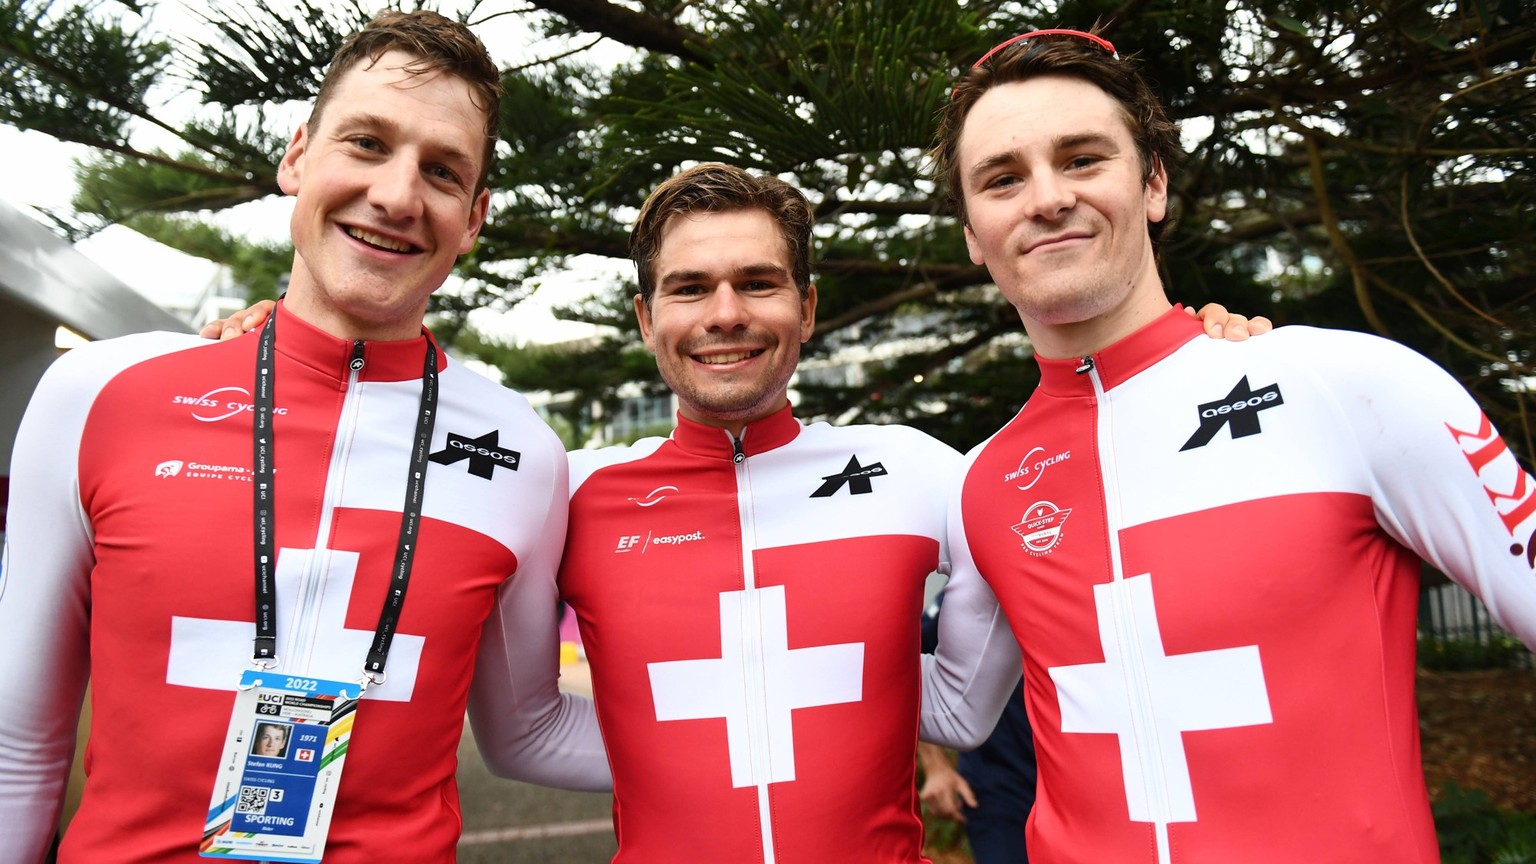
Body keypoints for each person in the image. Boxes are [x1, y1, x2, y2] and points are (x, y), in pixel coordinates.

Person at [205, 164, 1259, 864]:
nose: (724, 315)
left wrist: (1192, 353)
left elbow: (959, 708)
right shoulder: (566, 490)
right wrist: (289, 351)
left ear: (806, 306)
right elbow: (521, 733)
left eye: (759, 283)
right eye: (689, 286)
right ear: (646, 315)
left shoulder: (923, 471)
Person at [0, 11, 605, 864]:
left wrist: (844, 749)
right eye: (366, 142)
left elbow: (529, 733)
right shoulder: (97, 393)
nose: (397, 195)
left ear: (474, 218)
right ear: (297, 156)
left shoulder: (525, 454)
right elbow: (17, 747)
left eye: (440, 170)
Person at [933, 28, 1536, 864]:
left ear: (1153, 185)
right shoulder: (980, 483)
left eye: (1081, 159)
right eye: (1003, 178)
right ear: (971, 231)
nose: (1045, 199)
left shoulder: (1347, 385)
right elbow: (954, 710)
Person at [917, 597, 1035, 863]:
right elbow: (907, 665)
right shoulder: (979, 586)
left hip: (1077, 790)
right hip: (999, 787)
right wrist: (935, 767)